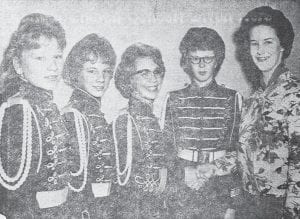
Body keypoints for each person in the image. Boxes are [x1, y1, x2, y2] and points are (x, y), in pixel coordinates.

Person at [163, 27, 242, 218]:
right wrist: (184, 172)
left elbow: (237, 150)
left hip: (219, 182)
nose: (201, 65)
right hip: (183, 180)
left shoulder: (232, 98)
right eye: (195, 59)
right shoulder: (173, 98)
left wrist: (232, 202)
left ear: (217, 61)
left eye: (208, 58)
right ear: (187, 61)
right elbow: (167, 148)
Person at [0, 13, 70, 218]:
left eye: (57, 56)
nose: (53, 67)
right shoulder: (19, 110)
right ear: (18, 65)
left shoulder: (46, 105)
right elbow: (14, 189)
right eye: (40, 58)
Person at [234, 6, 300, 218]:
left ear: (283, 46)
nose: (260, 50)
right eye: (254, 43)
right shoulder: (252, 99)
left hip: (278, 209)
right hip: (249, 206)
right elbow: (242, 154)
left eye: (268, 42)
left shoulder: (295, 95)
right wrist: (208, 169)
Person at [113, 43, 175, 218]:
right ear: (129, 79)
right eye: (144, 73)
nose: (154, 79)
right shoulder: (124, 121)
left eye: (156, 72)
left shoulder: (155, 118)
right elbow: (124, 187)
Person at [62, 33, 117, 218]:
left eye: (106, 71)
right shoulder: (73, 115)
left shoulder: (94, 113)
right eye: (92, 71)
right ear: (76, 73)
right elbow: (73, 181)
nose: (101, 78)